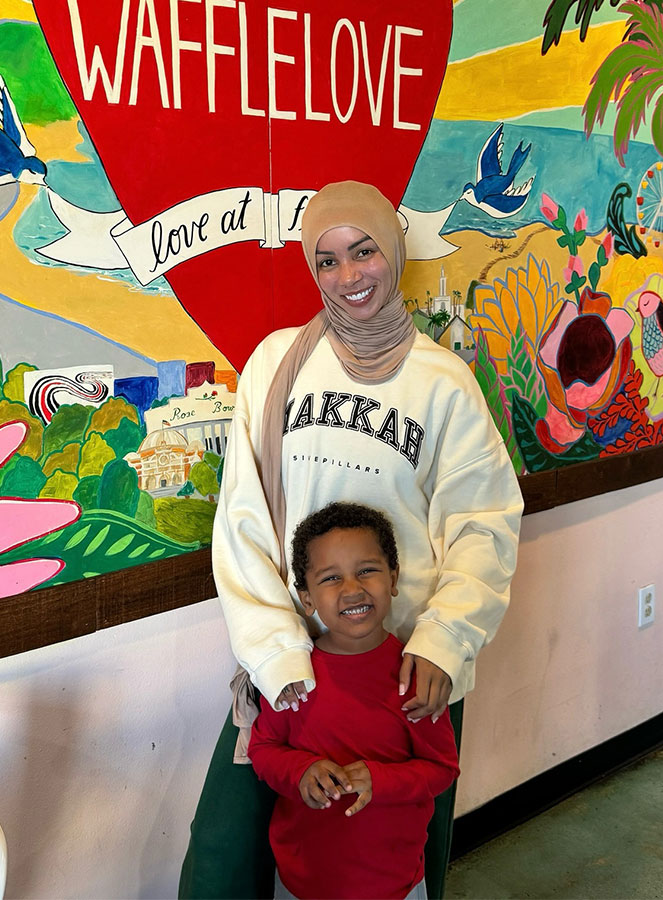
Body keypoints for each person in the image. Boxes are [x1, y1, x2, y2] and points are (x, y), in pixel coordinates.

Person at [179, 180, 523, 900]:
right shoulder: (277, 366)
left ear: (392, 252)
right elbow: (242, 521)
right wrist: (277, 654)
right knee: (222, 855)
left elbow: (482, 523)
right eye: (327, 261)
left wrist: (444, 641)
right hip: (297, 670)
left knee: (398, 853)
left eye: (363, 252)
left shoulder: (444, 383)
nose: (348, 276)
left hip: (406, 674)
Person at [248, 501, 460, 900]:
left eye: (367, 570)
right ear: (306, 597)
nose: (352, 589)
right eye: (331, 578)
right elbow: (262, 748)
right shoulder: (292, 675)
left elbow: (442, 768)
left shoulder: (416, 675)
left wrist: (381, 780)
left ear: (393, 578)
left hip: (394, 884)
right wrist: (301, 771)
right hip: (302, 881)